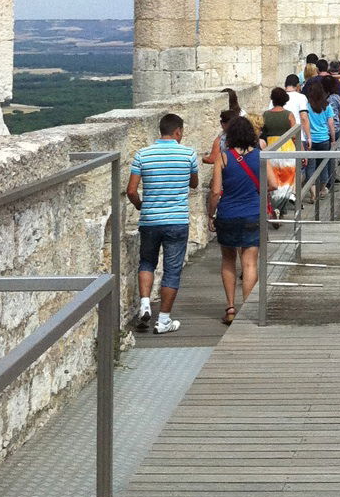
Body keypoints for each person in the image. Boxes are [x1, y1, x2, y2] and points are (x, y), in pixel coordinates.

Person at [126, 113, 199, 335]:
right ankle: (164, 320)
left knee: (147, 262)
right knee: (172, 270)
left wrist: (140, 205)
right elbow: (194, 184)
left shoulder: (142, 155)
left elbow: (131, 190)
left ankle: (145, 305)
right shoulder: (188, 154)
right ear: (178, 132)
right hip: (177, 220)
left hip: (150, 220)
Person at [209, 115, 278, 324]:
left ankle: (230, 308)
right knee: (249, 263)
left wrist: (210, 214)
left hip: (228, 214)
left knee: (228, 260)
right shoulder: (259, 155)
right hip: (252, 214)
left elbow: (215, 191)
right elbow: (273, 184)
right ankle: (248, 309)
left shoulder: (223, 157)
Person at [262, 86, 299, 217]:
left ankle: (276, 208)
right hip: (287, 148)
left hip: (271, 147)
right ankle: (280, 207)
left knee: (274, 179)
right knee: (288, 179)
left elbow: (263, 133)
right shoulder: (289, 115)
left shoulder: (265, 115)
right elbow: (294, 135)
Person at [304, 76, 338, 191]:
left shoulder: (307, 106)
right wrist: (333, 140)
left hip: (311, 140)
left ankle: (313, 193)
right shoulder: (327, 106)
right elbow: (331, 125)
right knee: (323, 166)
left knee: (311, 167)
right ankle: (323, 189)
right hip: (324, 139)